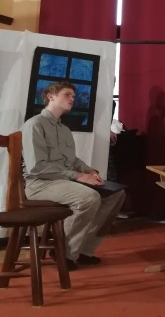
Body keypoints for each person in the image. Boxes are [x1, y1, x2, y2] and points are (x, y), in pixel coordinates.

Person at [22, 82, 126, 271]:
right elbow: (37, 167)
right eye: (67, 94)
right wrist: (77, 176)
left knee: (116, 195)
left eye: (73, 96)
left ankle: (84, 249)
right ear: (51, 96)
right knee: (89, 197)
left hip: (62, 181)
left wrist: (89, 171)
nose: (72, 99)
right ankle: (63, 252)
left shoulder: (64, 130)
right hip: (40, 184)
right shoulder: (34, 125)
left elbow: (73, 160)